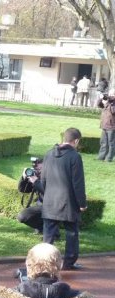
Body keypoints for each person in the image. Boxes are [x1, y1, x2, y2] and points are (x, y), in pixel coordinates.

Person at [37, 128, 87, 270]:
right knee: (72, 233)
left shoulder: (49, 154)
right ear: (76, 141)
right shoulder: (75, 157)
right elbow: (78, 183)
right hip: (68, 202)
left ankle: (45, 263)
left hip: (50, 201)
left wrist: (46, 197)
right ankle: (69, 263)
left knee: (48, 235)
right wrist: (82, 204)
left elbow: (43, 179)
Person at [17, 158, 43, 234]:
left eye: (41, 169)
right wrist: (23, 178)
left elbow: (47, 192)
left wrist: (37, 182)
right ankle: (43, 228)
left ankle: (52, 231)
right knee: (23, 216)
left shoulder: (52, 177)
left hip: (53, 207)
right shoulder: (37, 177)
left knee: (23, 215)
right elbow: (23, 190)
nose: (38, 171)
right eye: (37, 169)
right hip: (41, 205)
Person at [96, 88, 115, 162]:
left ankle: (109, 158)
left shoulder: (112, 103)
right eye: (110, 94)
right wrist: (101, 99)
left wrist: (111, 103)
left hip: (112, 126)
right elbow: (99, 105)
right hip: (104, 125)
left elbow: (113, 111)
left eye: (113, 94)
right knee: (103, 142)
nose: (110, 96)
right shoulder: (108, 102)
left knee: (111, 143)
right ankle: (101, 156)